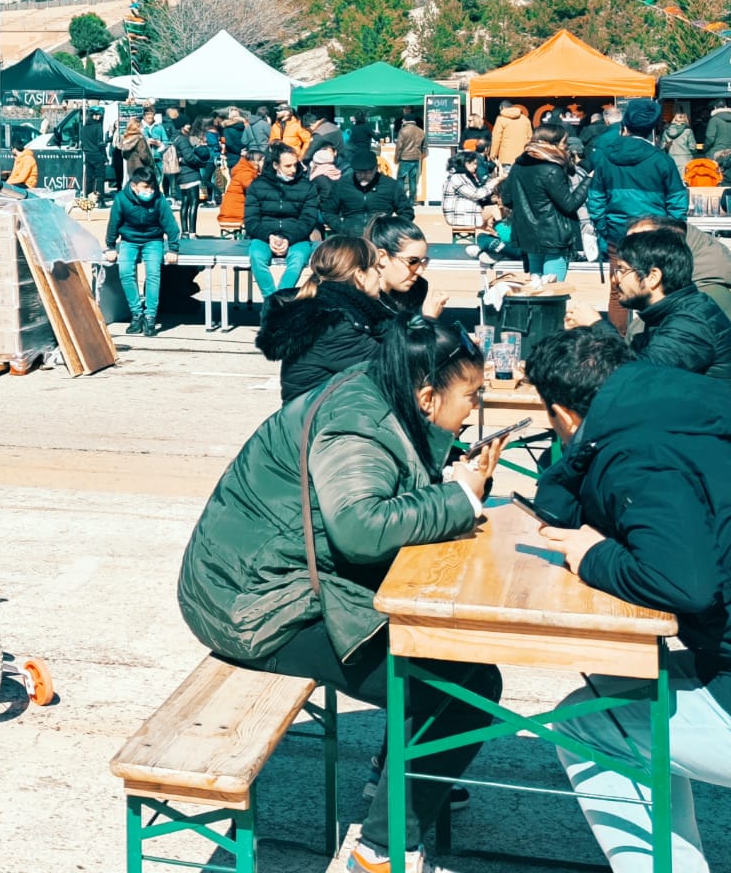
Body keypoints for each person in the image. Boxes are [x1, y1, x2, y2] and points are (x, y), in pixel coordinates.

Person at [525, 326, 731, 873]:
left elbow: (680, 582)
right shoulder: (694, 412)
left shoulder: (636, 455)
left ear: (563, 415)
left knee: (587, 726)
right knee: (616, 686)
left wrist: (593, 556)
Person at [179, 324, 504, 873]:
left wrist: (453, 484)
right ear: (427, 395)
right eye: (471, 395)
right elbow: (359, 527)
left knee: (463, 671)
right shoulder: (360, 425)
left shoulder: (386, 393)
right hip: (254, 604)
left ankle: (395, 778)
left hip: (288, 581)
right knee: (460, 686)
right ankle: (380, 851)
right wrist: (460, 496)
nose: (475, 410)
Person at [578, 225, 731, 420]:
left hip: (713, 440)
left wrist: (597, 326)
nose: (615, 279)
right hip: (696, 428)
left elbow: (638, 378)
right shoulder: (672, 312)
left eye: (622, 270)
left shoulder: (692, 321)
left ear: (653, 277)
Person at [625, 215, 731, 425]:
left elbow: (646, 375)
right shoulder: (673, 300)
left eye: (639, 245)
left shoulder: (697, 307)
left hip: (718, 433)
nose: (628, 252)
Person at [256, 234, 400, 400]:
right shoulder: (333, 323)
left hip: (332, 413)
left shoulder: (344, 308)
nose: (380, 275)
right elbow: (392, 368)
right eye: (375, 268)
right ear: (360, 275)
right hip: (320, 421)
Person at [584, 98, 686, 256]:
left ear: (624, 127)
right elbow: (677, 202)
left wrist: (604, 229)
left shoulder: (606, 159)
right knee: (652, 279)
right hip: (654, 235)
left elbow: (595, 199)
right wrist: (669, 233)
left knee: (621, 277)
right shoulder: (662, 160)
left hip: (617, 232)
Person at [504, 123, 591, 282]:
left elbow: (507, 199)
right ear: (553, 143)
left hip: (527, 233)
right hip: (553, 234)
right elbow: (569, 204)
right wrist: (588, 181)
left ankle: (536, 307)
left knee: (536, 284)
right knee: (553, 287)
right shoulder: (552, 168)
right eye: (564, 143)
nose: (566, 148)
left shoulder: (518, 165)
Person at [106, 166, 182, 337]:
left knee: (153, 273)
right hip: (129, 240)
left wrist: (173, 249)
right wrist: (110, 246)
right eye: (145, 187)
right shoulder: (121, 199)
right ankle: (136, 313)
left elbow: (170, 225)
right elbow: (113, 223)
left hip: (153, 240)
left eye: (152, 187)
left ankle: (150, 316)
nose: (150, 191)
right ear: (134, 186)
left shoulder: (158, 199)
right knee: (125, 271)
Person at [243, 143, 324, 299]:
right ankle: (271, 300)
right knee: (256, 256)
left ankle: (279, 300)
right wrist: (269, 236)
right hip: (264, 235)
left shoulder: (307, 187)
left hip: (297, 236)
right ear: (275, 165)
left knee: (298, 259)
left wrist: (289, 237)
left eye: (295, 165)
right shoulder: (258, 185)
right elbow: (251, 220)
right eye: (287, 166)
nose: (293, 170)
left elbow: (308, 219)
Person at [366, 213, 447, 322]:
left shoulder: (417, 290)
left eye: (423, 261)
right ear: (382, 257)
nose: (420, 270)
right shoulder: (360, 303)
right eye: (412, 261)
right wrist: (428, 319)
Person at [322, 148, 409, 237]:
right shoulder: (342, 184)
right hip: (351, 235)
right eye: (359, 173)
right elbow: (328, 211)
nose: (363, 176)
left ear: (376, 169)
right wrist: (341, 227)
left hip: (381, 236)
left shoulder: (390, 185)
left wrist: (391, 230)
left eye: (368, 173)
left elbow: (406, 212)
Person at [440, 145, 502, 237]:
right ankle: (505, 234)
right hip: (459, 216)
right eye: (473, 163)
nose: (475, 166)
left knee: (492, 210)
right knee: (496, 209)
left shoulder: (461, 175)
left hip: (463, 212)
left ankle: (498, 235)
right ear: (464, 163)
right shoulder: (457, 178)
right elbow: (476, 194)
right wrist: (494, 182)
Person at [170, 121, 213, 236]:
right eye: (187, 126)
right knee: (194, 202)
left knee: (185, 203)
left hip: (180, 174)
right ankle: (192, 232)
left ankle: (184, 231)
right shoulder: (183, 139)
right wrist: (202, 163)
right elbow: (189, 157)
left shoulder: (175, 138)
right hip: (190, 173)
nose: (189, 128)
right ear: (183, 126)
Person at [392, 113, 426, 200]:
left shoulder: (403, 131)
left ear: (406, 120)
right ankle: (412, 199)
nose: (402, 121)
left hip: (405, 158)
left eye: (403, 119)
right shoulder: (421, 131)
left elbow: (399, 147)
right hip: (416, 159)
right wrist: (421, 155)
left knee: (401, 179)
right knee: (413, 179)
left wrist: (396, 159)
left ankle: (400, 198)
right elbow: (424, 146)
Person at [488, 99, 531, 166]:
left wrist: (493, 155)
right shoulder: (525, 119)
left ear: (502, 108)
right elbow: (530, 139)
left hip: (506, 158)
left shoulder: (500, 119)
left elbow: (496, 139)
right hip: (522, 157)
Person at [660, 108, 697, 172]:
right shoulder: (688, 131)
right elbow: (692, 147)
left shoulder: (666, 131)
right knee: (684, 180)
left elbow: (662, 146)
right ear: (685, 119)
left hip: (670, 159)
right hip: (686, 159)